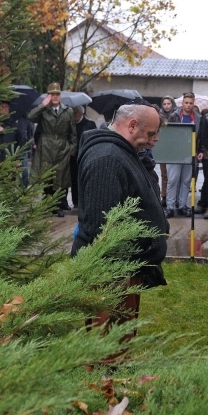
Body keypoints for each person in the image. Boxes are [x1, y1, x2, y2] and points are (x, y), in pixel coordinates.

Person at [70, 101, 167, 343]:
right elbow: (100, 228)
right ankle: (100, 379)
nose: (154, 140)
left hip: (125, 270)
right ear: (133, 125)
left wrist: (143, 164)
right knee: (106, 345)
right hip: (111, 273)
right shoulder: (107, 159)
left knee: (120, 340)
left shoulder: (124, 152)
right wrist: (136, 255)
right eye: (151, 134)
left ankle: (114, 378)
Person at [28, 82, 77, 217]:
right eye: (52, 94)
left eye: (57, 94)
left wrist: (71, 151)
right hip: (46, 147)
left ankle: (56, 205)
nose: (55, 97)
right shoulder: (44, 110)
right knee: (46, 177)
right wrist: (43, 104)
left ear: (60, 95)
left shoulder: (68, 111)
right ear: (48, 95)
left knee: (60, 178)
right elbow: (31, 117)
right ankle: (47, 205)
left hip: (62, 148)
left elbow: (73, 134)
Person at [165, 92, 199, 217]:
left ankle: (182, 205)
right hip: (175, 153)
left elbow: (199, 137)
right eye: (186, 103)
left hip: (190, 153)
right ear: (182, 103)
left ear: (193, 103)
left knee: (186, 181)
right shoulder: (174, 116)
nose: (188, 105)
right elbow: (168, 135)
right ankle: (170, 206)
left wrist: (198, 151)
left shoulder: (198, 118)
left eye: (191, 103)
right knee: (173, 180)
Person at [69, 105, 97, 210]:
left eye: (76, 112)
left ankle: (85, 201)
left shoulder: (90, 124)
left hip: (86, 155)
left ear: (81, 113)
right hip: (73, 156)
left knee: (85, 178)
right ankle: (75, 201)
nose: (74, 115)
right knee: (73, 179)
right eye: (73, 112)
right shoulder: (70, 124)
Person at [158, 96, 176, 206]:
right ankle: (164, 195)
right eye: (164, 104)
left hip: (174, 148)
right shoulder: (159, 116)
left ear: (172, 104)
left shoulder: (177, 115)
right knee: (164, 174)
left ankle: (173, 197)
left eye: (168, 104)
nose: (166, 106)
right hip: (164, 148)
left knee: (174, 176)